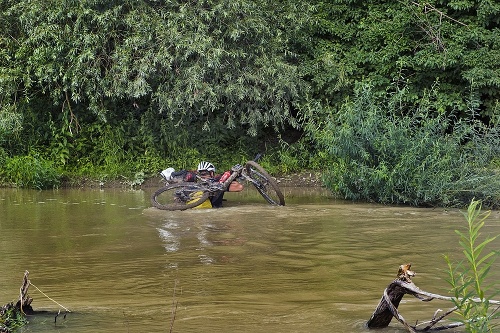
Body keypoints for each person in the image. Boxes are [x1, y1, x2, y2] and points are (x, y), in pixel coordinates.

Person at [161, 161, 243, 208]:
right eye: (202, 174)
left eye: (205, 173)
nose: (203, 175)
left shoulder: (217, 179)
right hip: (212, 211)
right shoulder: (215, 180)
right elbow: (239, 187)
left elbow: (239, 187)